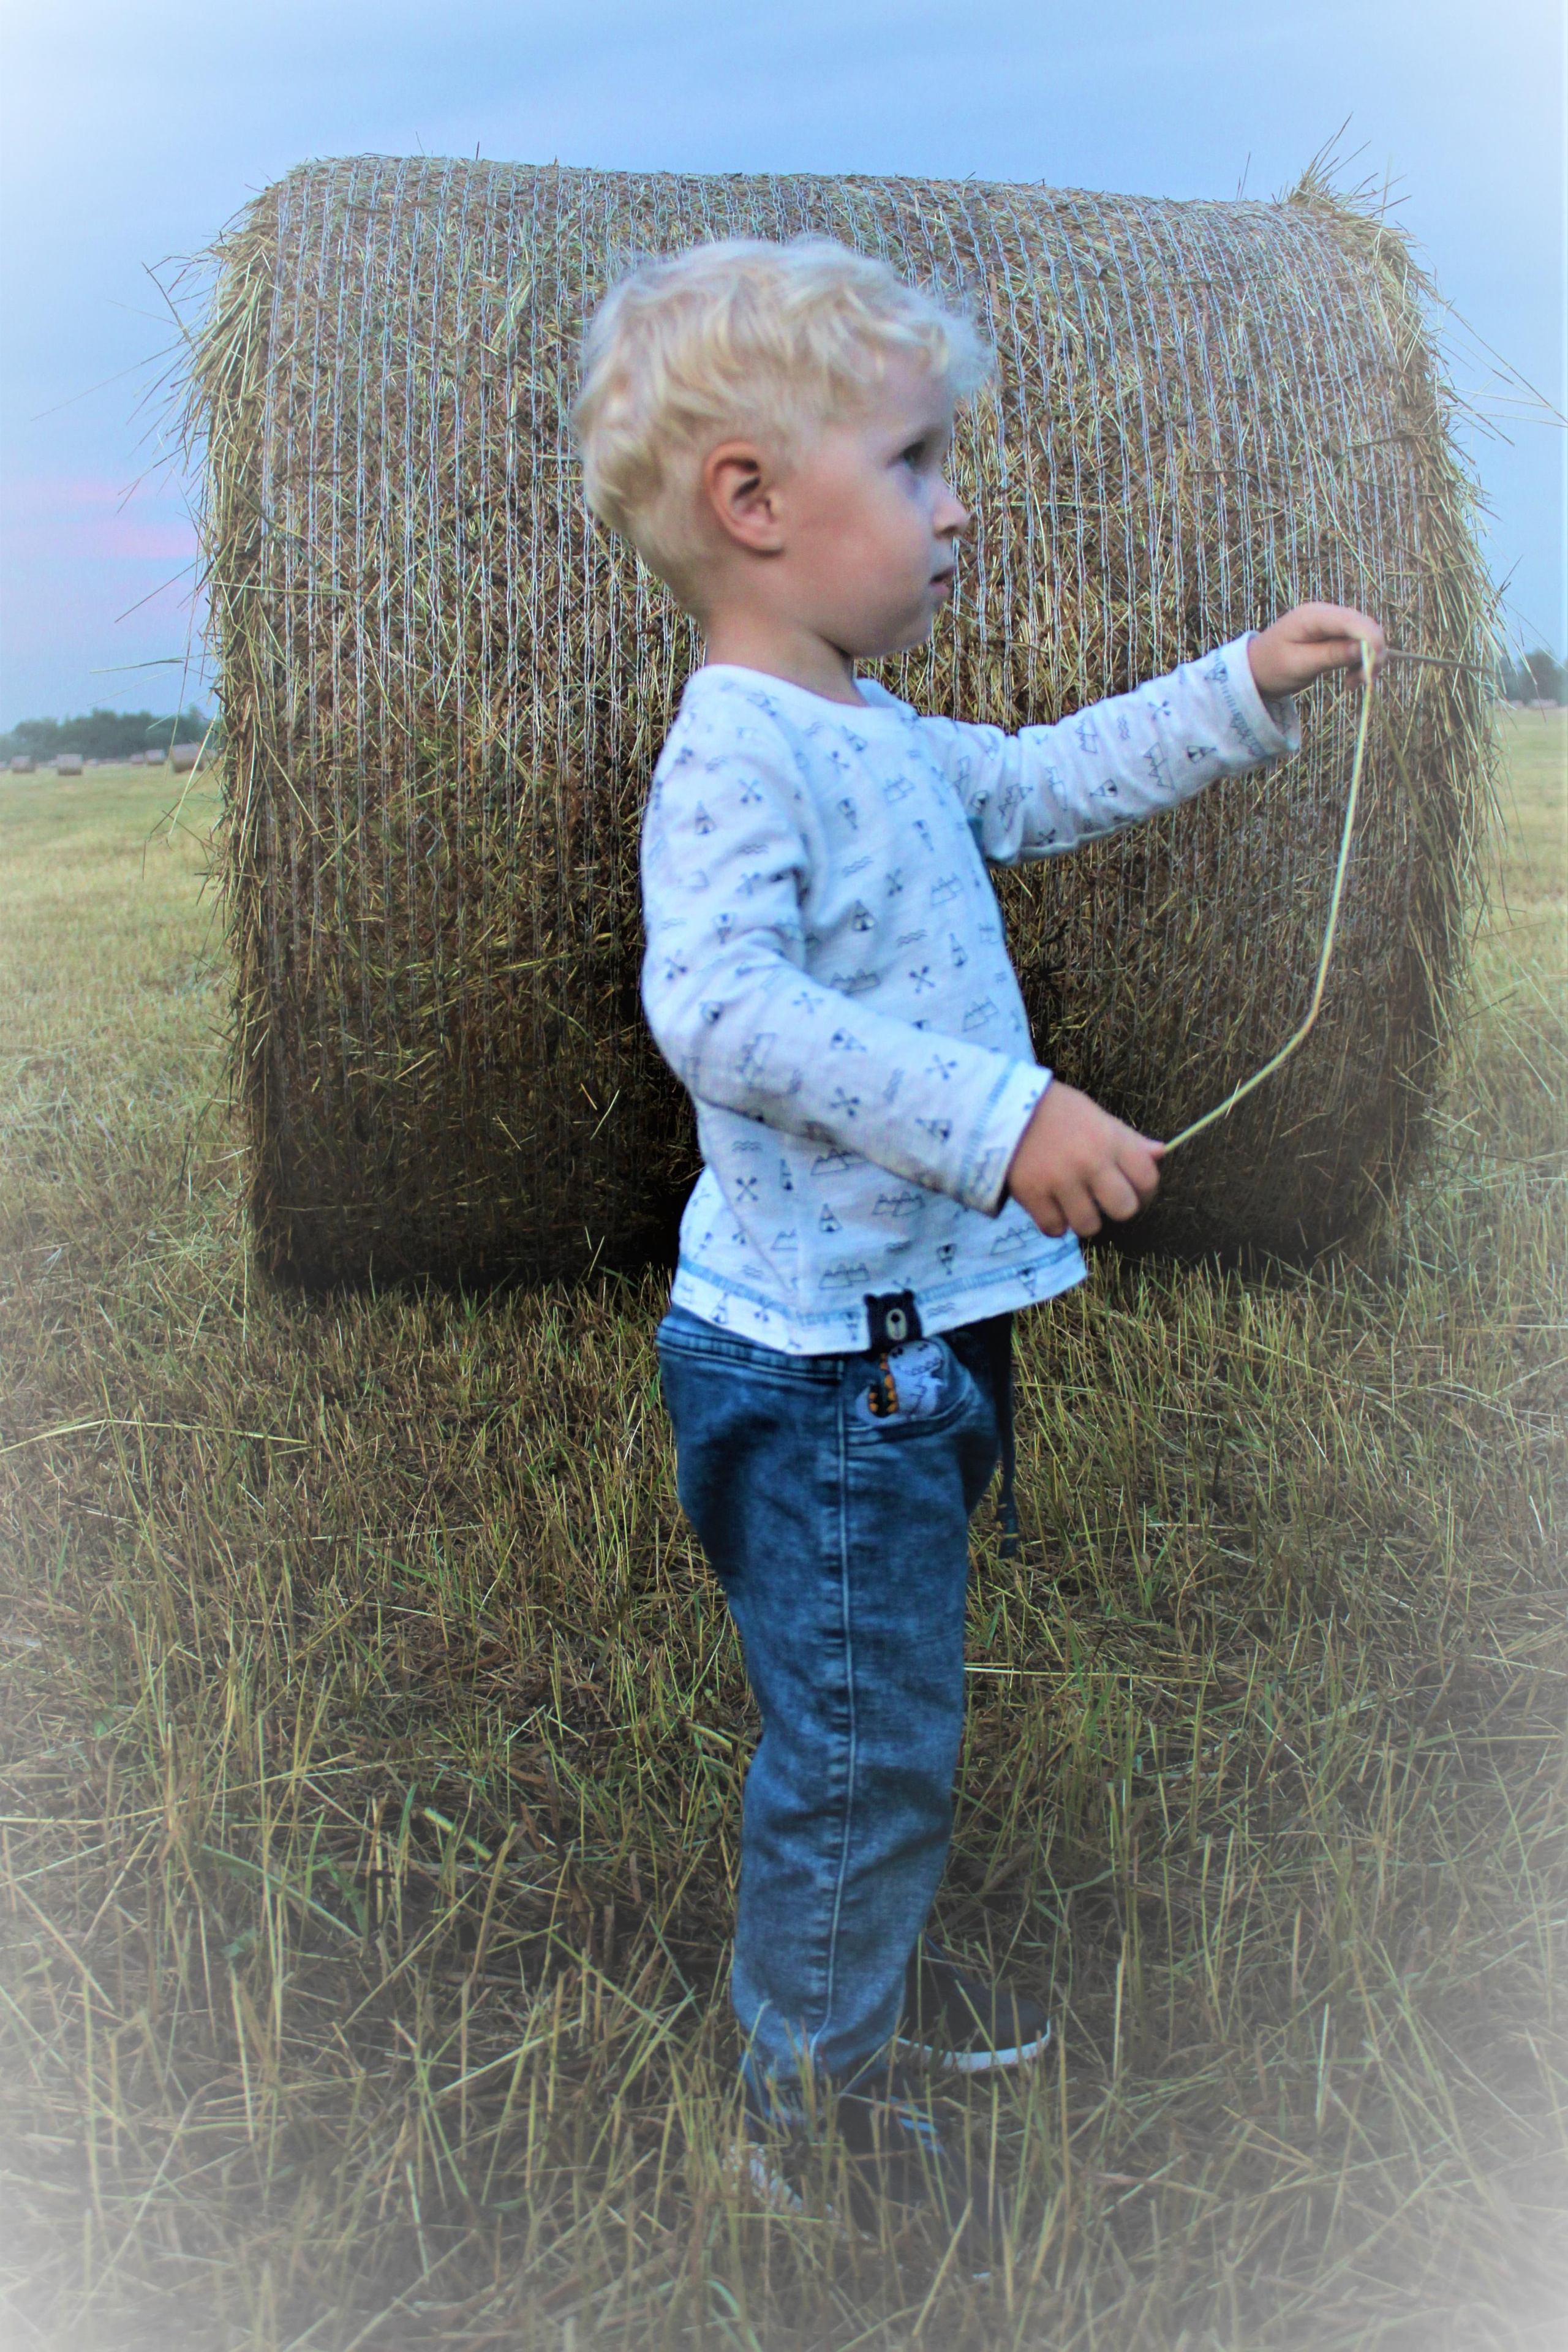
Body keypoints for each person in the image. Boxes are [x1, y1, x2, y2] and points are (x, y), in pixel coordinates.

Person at [572, 235, 1384, 2248]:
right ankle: (797, 2124)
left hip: (901, 1342)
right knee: (861, 1757)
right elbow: (718, 1006)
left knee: (885, 1734)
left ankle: (844, 2029)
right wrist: (1003, 1115)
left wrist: (1237, 690)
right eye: (922, 462)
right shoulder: (743, 750)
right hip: (835, 1366)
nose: (961, 504)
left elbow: (1032, 783)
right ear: (755, 504)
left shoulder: (860, 719)